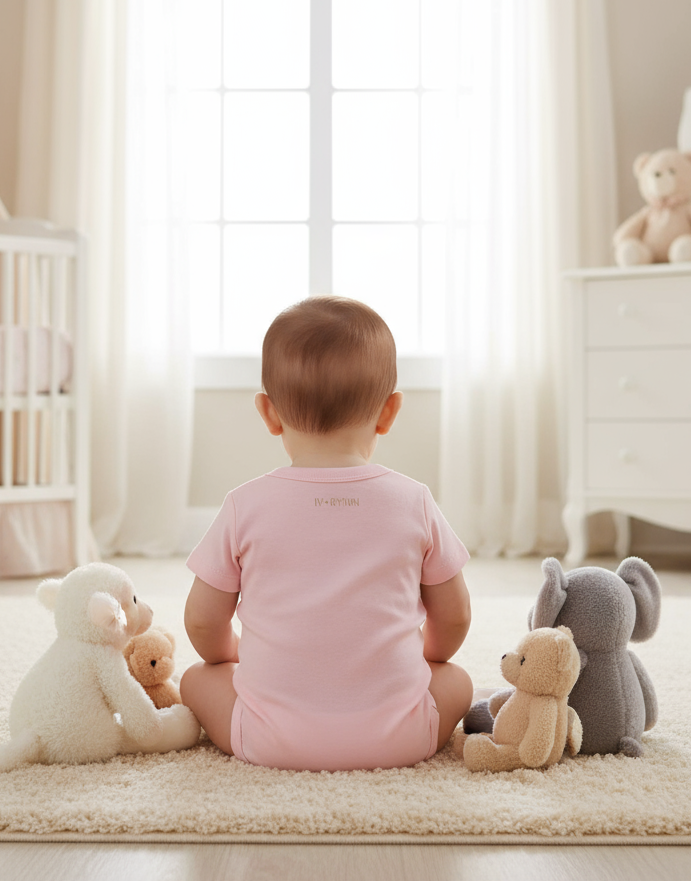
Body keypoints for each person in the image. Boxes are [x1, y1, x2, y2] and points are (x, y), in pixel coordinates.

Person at [180, 296, 473, 771]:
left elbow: (201, 621)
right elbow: (454, 615)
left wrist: (228, 658)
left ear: (268, 413)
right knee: (456, 678)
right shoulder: (414, 500)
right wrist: (429, 658)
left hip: (267, 740)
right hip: (401, 739)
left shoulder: (244, 505)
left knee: (196, 677)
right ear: (389, 412)